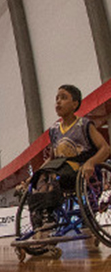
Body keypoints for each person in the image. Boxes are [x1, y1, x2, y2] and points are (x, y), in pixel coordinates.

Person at [27, 85, 109, 235]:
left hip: (80, 169)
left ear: (75, 103)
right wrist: (36, 174)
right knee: (37, 181)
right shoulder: (54, 130)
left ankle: (49, 217)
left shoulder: (84, 124)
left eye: (63, 98)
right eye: (57, 98)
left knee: (53, 178)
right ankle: (42, 217)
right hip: (60, 168)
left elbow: (105, 149)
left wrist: (91, 162)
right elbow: (52, 158)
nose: (58, 102)